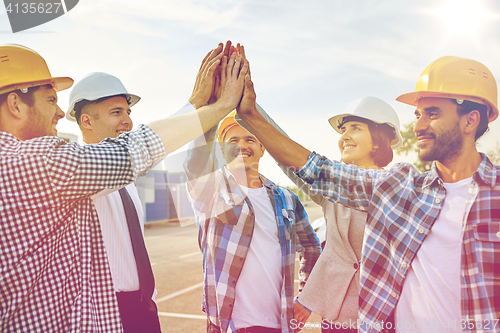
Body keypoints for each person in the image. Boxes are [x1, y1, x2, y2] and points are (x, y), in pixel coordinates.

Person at [236, 55, 499, 333]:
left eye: (432, 114)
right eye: (418, 115)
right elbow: (313, 168)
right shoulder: (401, 188)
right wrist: (250, 114)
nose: (419, 126)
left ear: (471, 120)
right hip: (347, 318)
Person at [0, 42, 248, 332]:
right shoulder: (44, 166)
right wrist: (215, 107)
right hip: (106, 310)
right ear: (16, 104)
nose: (57, 112)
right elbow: (136, 149)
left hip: (142, 307)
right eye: (50, 100)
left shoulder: (113, 181)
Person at [237, 97, 403, 332]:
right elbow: (290, 159)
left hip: (383, 314)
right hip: (337, 318)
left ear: (378, 141)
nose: (344, 136)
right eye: (343, 130)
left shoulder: (398, 189)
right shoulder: (330, 191)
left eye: (355, 128)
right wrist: (248, 114)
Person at [183, 106, 321, 333]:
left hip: (279, 324)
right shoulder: (210, 191)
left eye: (250, 139)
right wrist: (216, 106)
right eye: (233, 140)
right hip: (229, 325)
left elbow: (312, 248)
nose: (241, 146)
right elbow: (195, 163)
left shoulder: (287, 198)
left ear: (262, 147)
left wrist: (306, 300)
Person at [65, 72, 162, 333]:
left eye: (128, 112)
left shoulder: (127, 179)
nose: (128, 121)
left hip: (143, 308)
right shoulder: (76, 170)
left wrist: (149, 300)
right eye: (117, 112)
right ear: (86, 121)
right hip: (107, 311)